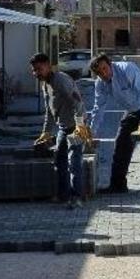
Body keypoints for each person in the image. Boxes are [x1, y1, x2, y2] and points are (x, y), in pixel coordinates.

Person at [88, 54, 140, 197]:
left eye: (105, 69)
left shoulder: (127, 69)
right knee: (121, 142)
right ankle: (118, 185)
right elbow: (99, 108)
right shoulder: (100, 83)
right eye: (99, 72)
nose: (104, 74)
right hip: (132, 110)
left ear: (110, 64)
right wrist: (92, 132)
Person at [31, 53, 90, 209]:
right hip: (64, 127)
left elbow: (77, 101)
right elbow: (49, 113)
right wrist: (46, 132)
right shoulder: (46, 85)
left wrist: (80, 126)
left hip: (77, 125)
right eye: (34, 70)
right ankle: (63, 195)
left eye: (39, 69)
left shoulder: (61, 80)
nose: (36, 73)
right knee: (60, 160)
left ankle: (77, 198)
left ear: (48, 66)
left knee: (74, 161)